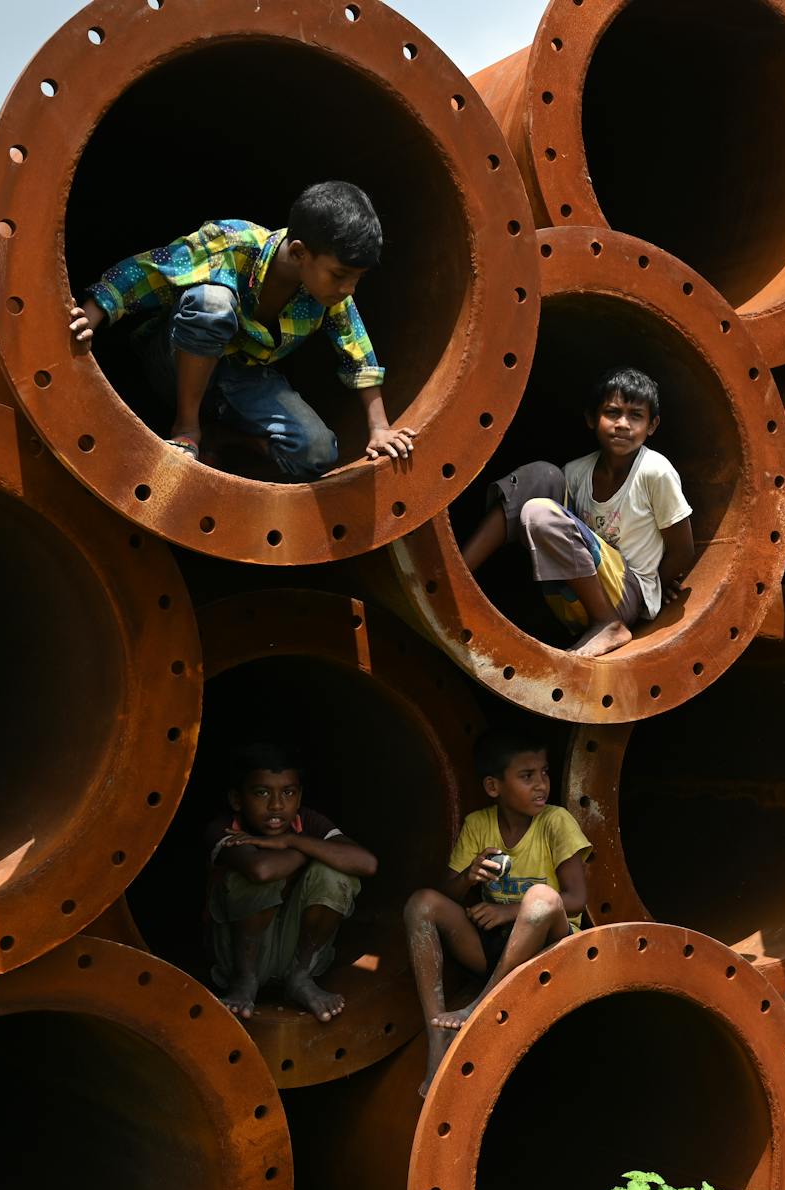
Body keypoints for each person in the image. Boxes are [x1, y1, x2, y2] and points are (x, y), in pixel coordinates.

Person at [66, 180, 416, 478]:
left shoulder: (329, 296)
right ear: (299, 253)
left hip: (239, 378)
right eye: (340, 275)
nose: (349, 288)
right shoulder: (233, 242)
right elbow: (151, 271)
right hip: (172, 361)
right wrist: (91, 315)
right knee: (212, 304)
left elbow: (356, 350)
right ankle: (186, 429)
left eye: (357, 278)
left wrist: (379, 429)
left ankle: (220, 437)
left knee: (318, 451)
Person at [403, 728, 591, 1096]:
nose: (541, 784)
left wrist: (508, 912)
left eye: (544, 772)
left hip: (548, 950)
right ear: (493, 787)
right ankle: (436, 1040)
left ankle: (479, 1005)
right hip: (496, 950)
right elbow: (445, 894)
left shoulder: (556, 822)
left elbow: (576, 899)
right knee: (420, 903)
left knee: (541, 898)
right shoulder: (478, 824)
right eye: (527, 776)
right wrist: (469, 876)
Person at [459, 367, 695, 658]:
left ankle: (608, 623)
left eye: (636, 415)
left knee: (538, 514)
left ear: (652, 425)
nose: (623, 424)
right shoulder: (576, 472)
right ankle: (459, 575)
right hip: (572, 596)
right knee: (542, 476)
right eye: (612, 413)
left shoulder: (654, 472)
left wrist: (656, 587)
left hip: (624, 597)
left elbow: (682, 549)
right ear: (591, 418)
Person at [201, 743, 378, 1023]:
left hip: (296, 953)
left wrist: (292, 840)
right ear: (237, 799)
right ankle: (245, 980)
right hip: (237, 956)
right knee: (254, 878)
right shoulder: (225, 828)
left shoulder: (307, 822)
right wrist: (312, 849)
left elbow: (366, 863)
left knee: (335, 874)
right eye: (262, 793)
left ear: (299, 796)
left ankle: (301, 977)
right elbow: (261, 870)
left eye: (288, 792)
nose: (276, 805)